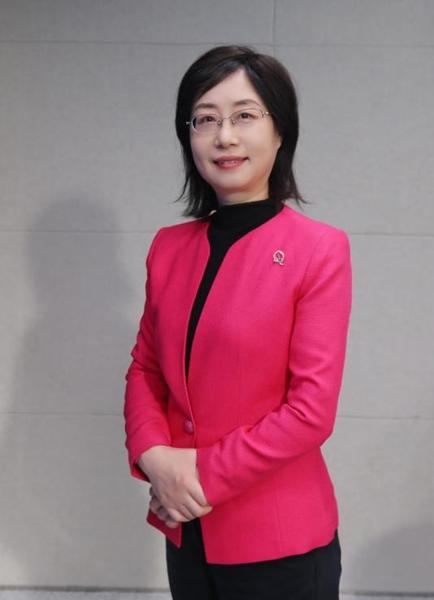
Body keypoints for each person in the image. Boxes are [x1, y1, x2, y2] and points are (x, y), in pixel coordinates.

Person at [123, 44, 352, 600]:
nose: (224, 136)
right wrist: (155, 459)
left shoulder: (319, 250)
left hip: (279, 542)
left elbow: (309, 411)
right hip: (186, 530)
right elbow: (146, 370)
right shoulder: (168, 248)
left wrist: (196, 475)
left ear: (280, 131)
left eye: (244, 115)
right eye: (205, 119)